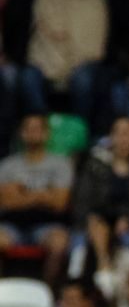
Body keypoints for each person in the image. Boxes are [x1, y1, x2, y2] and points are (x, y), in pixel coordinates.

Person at [0, 114, 72, 286]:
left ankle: (48, 295)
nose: (33, 133)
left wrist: (23, 192)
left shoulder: (60, 164)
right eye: (28, 129)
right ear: (21, 133)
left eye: (37, 129)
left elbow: (60, 203)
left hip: (48, 224)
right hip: (11, 224)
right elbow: (6, 202)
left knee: (59, 244)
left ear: (47, 133)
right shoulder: (8, 165)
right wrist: (44, 193)